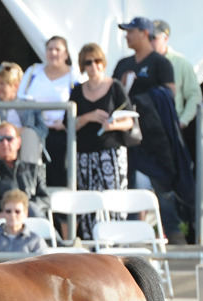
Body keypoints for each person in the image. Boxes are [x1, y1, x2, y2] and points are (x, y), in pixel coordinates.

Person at [113, 16, 189, 244]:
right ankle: (131, 241)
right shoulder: (122, 64)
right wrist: (123, 89)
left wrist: (139, 99)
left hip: (156, 140)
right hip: (128, 138)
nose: (126, 35)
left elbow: (170, 94)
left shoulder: (160, 63)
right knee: (131, 188)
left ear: (144, 33)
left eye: (130, 31)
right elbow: (112, 97)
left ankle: (175, 238)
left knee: (163, 188)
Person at [70, 43, 133, 238]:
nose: (93, 66)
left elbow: (129, 120)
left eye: (97, 61)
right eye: (88, 62)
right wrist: (89, 116)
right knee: (88, 203)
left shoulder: (115, 86)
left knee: (114, 201)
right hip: (85, 154)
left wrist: (111, 125)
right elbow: (70, 124)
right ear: (83, 65)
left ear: (103, 62)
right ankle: (91, 244)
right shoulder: (78, 91)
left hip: (111, 152)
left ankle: (116, 244)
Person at [18, 36, 82, 187]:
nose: (53, 53)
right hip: (33, 131)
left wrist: (66, 122)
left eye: (58, 49)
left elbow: (81, 101)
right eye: (50, 49)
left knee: (59, 175)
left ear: (66, 54)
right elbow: (20, 100)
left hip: (62, 132)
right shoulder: (33, 71)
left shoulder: (74, 75)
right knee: (31, 174)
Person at [0, 61, 47, 166]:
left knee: (30, 134)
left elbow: (43, 130)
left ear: (15, 86)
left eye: (2, 83)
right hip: (0, 145)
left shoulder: (30, 105)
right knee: (0, 139)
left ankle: (29, 174)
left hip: (25, 145)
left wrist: (23, 131)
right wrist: (6, 134)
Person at [0, 121, 50, 219]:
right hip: (4, 221)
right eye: (0, 139)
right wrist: (11, 209)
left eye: (9, 139)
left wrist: (22, 207)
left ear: (18, 142)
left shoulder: (34, 170)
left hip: (31, 217)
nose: (5, 143)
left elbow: (45, 199)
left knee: (33, 208)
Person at [151, 20, 202, 131]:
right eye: (148, 37)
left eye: (154, 38)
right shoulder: (140, 61)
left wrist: (182, 122)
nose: (150, 41)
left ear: (165, 39)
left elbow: (194, 95)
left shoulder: (181, 63)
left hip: (169, 126)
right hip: (145, 125)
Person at [0, 189, 47, 253]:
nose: (12, 215)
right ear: (3, 213)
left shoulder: (35, 241)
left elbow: (41, 268)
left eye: (17, 211)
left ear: (25, 213)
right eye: (8, 211)